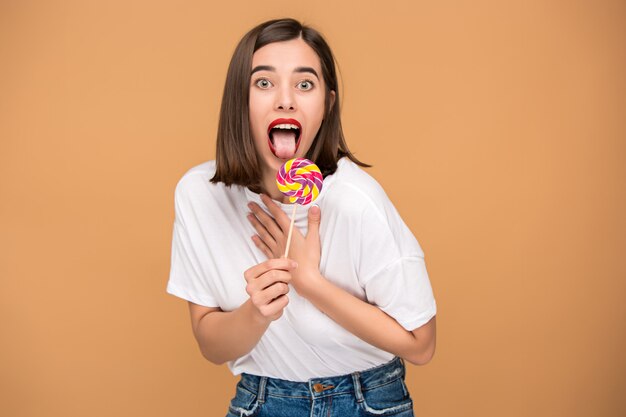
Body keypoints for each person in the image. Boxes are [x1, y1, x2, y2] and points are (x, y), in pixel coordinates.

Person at [166, 18, 437, 417]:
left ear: (326, 105)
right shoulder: (199, 195)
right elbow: (210, 345)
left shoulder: (354, 202)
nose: (285, 100)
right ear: (238, 101)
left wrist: (309, 283)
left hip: (366, 402)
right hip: (260, 400)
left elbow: (421, 344)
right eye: (263, 83)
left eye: (304, 84)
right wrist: (255, 313)